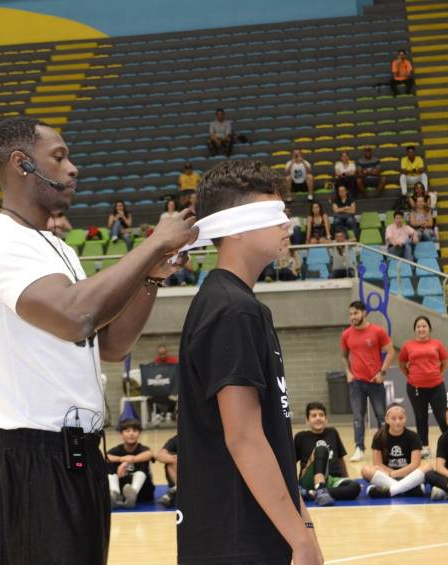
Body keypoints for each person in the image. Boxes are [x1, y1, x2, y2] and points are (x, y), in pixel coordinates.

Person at [0, 116, 196, 565]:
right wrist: (150, 244)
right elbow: (75, 317)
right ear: (21, 163)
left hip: (77, 453)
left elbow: (111, 346)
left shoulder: (58, 248)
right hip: (30, 457)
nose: (73, 168)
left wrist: (150, 274)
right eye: (60, 157)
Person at [177, 160, 323, 565]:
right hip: (236, 537)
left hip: (254, 529)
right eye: (274, 214)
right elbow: (243, 437)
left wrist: (304, 526)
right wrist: (300, 539)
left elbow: (271, 437)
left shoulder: (242, 306)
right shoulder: (231, 311)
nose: (288, 225)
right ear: (236, 227)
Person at [341, 300, 395, 462]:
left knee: (381, 416)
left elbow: (391, 352)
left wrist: (382, 372)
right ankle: (359, 448)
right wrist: (348, 373)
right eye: (350, 314)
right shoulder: (346, 334)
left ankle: (384, 447)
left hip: (375, 381)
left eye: (355, 313)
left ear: (364, 313)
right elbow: (344, 356)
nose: (352, 317)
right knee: (358, 417)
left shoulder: (377, 331)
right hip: (356, 383)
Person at [398, 316, 448, 458]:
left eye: (424, 326)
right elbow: (402, 364)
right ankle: (425, 447)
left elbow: (445, 361)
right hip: (415, 388)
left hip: (436, 387)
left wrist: (438, 373)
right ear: (415, 329)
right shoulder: (408, 345)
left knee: (442, 417)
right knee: (420, 418)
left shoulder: (437, 344)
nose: (421, 329)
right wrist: (410, 375)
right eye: (418, 327)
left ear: (429, 328)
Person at [295, 401, 360, 507]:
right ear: (307, 420)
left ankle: (312, 494)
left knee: (355, 487)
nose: (318, 418)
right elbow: (290, 462)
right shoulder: (301, 437)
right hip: (308, 480)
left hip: (331, 480)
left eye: (321, 415)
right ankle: (319, 490)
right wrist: (294, 485)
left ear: (326, 419)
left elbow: (340, 459)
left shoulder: (332, 432)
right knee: (321, 449)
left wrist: (346, 478)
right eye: (314, 416)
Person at [362, 404, 431, 498]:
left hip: (408, 475)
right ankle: (408, 489)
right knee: (366, 470)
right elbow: (377, 464)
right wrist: (390, 474)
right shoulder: (379, 436)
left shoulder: (413, 436)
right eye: (393, 418)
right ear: (387, 420)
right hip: (386, 475)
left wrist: (395, 473)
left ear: (405, 418)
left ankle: (389, 490)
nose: (397, 422)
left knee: (428, 467)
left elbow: (415, 464)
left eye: (401, 418)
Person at [106, 419, 155, 508]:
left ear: (139, 433)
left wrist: (127, 461)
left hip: (143, 493)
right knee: (109, 465)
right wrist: (121, 459)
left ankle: (133, 495)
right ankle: (116, 495)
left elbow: (149, 454)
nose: (131, 434)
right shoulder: (117, 450)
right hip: (122, 490)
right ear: (121, 434)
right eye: (127, 431)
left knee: (142, 464)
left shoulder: (143, 449)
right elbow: (105, 457)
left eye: (135, 431)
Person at [154, 434, 178, 508]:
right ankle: (177, 488)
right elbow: (159, 455)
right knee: (171, 459)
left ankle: (174, 491)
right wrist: (175, 459)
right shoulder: (177, 439)